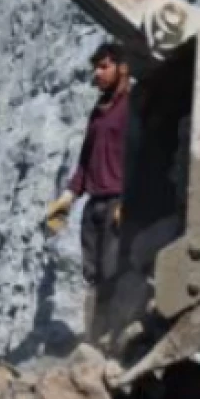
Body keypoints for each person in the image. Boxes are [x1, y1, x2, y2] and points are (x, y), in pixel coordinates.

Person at [44, 41, 132, 286]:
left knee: (115, 272)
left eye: (104, 66)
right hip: (94, 205)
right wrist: (69, 196)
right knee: (93, 274)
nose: (97, 73)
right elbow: (86, 159)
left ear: (123, 68)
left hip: (118, 203)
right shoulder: (99, 111)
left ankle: (119, 323)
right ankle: (99, 322)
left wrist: (131, 200)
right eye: (96, 67)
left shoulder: (132, 106)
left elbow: (142, 155)